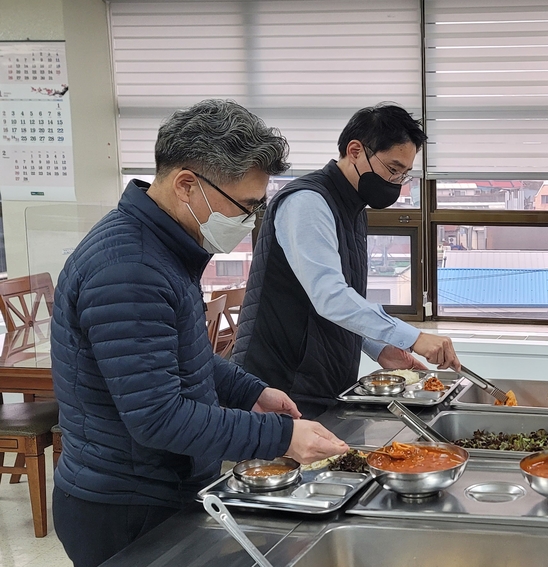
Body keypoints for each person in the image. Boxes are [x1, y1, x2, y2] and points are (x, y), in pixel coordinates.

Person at [50, 99, 350, 567]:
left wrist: (250, 391)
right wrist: (280, 437)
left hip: (154, 488)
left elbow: (173, 354)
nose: (251, 221)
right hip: (126, 506)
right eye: (246, 207)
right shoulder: (131, 268)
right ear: (187, 184)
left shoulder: (162, 249)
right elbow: (157, 417)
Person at [232, 103, 460, 419]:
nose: (397, 181)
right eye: (393, 168)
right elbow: (331, 297)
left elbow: (341, 303)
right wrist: (415, 338)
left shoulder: (352, 208)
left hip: (320, 381)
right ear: (355, 151)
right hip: (280, 384)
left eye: (405, 174)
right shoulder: (307, 202)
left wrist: (380, 348)